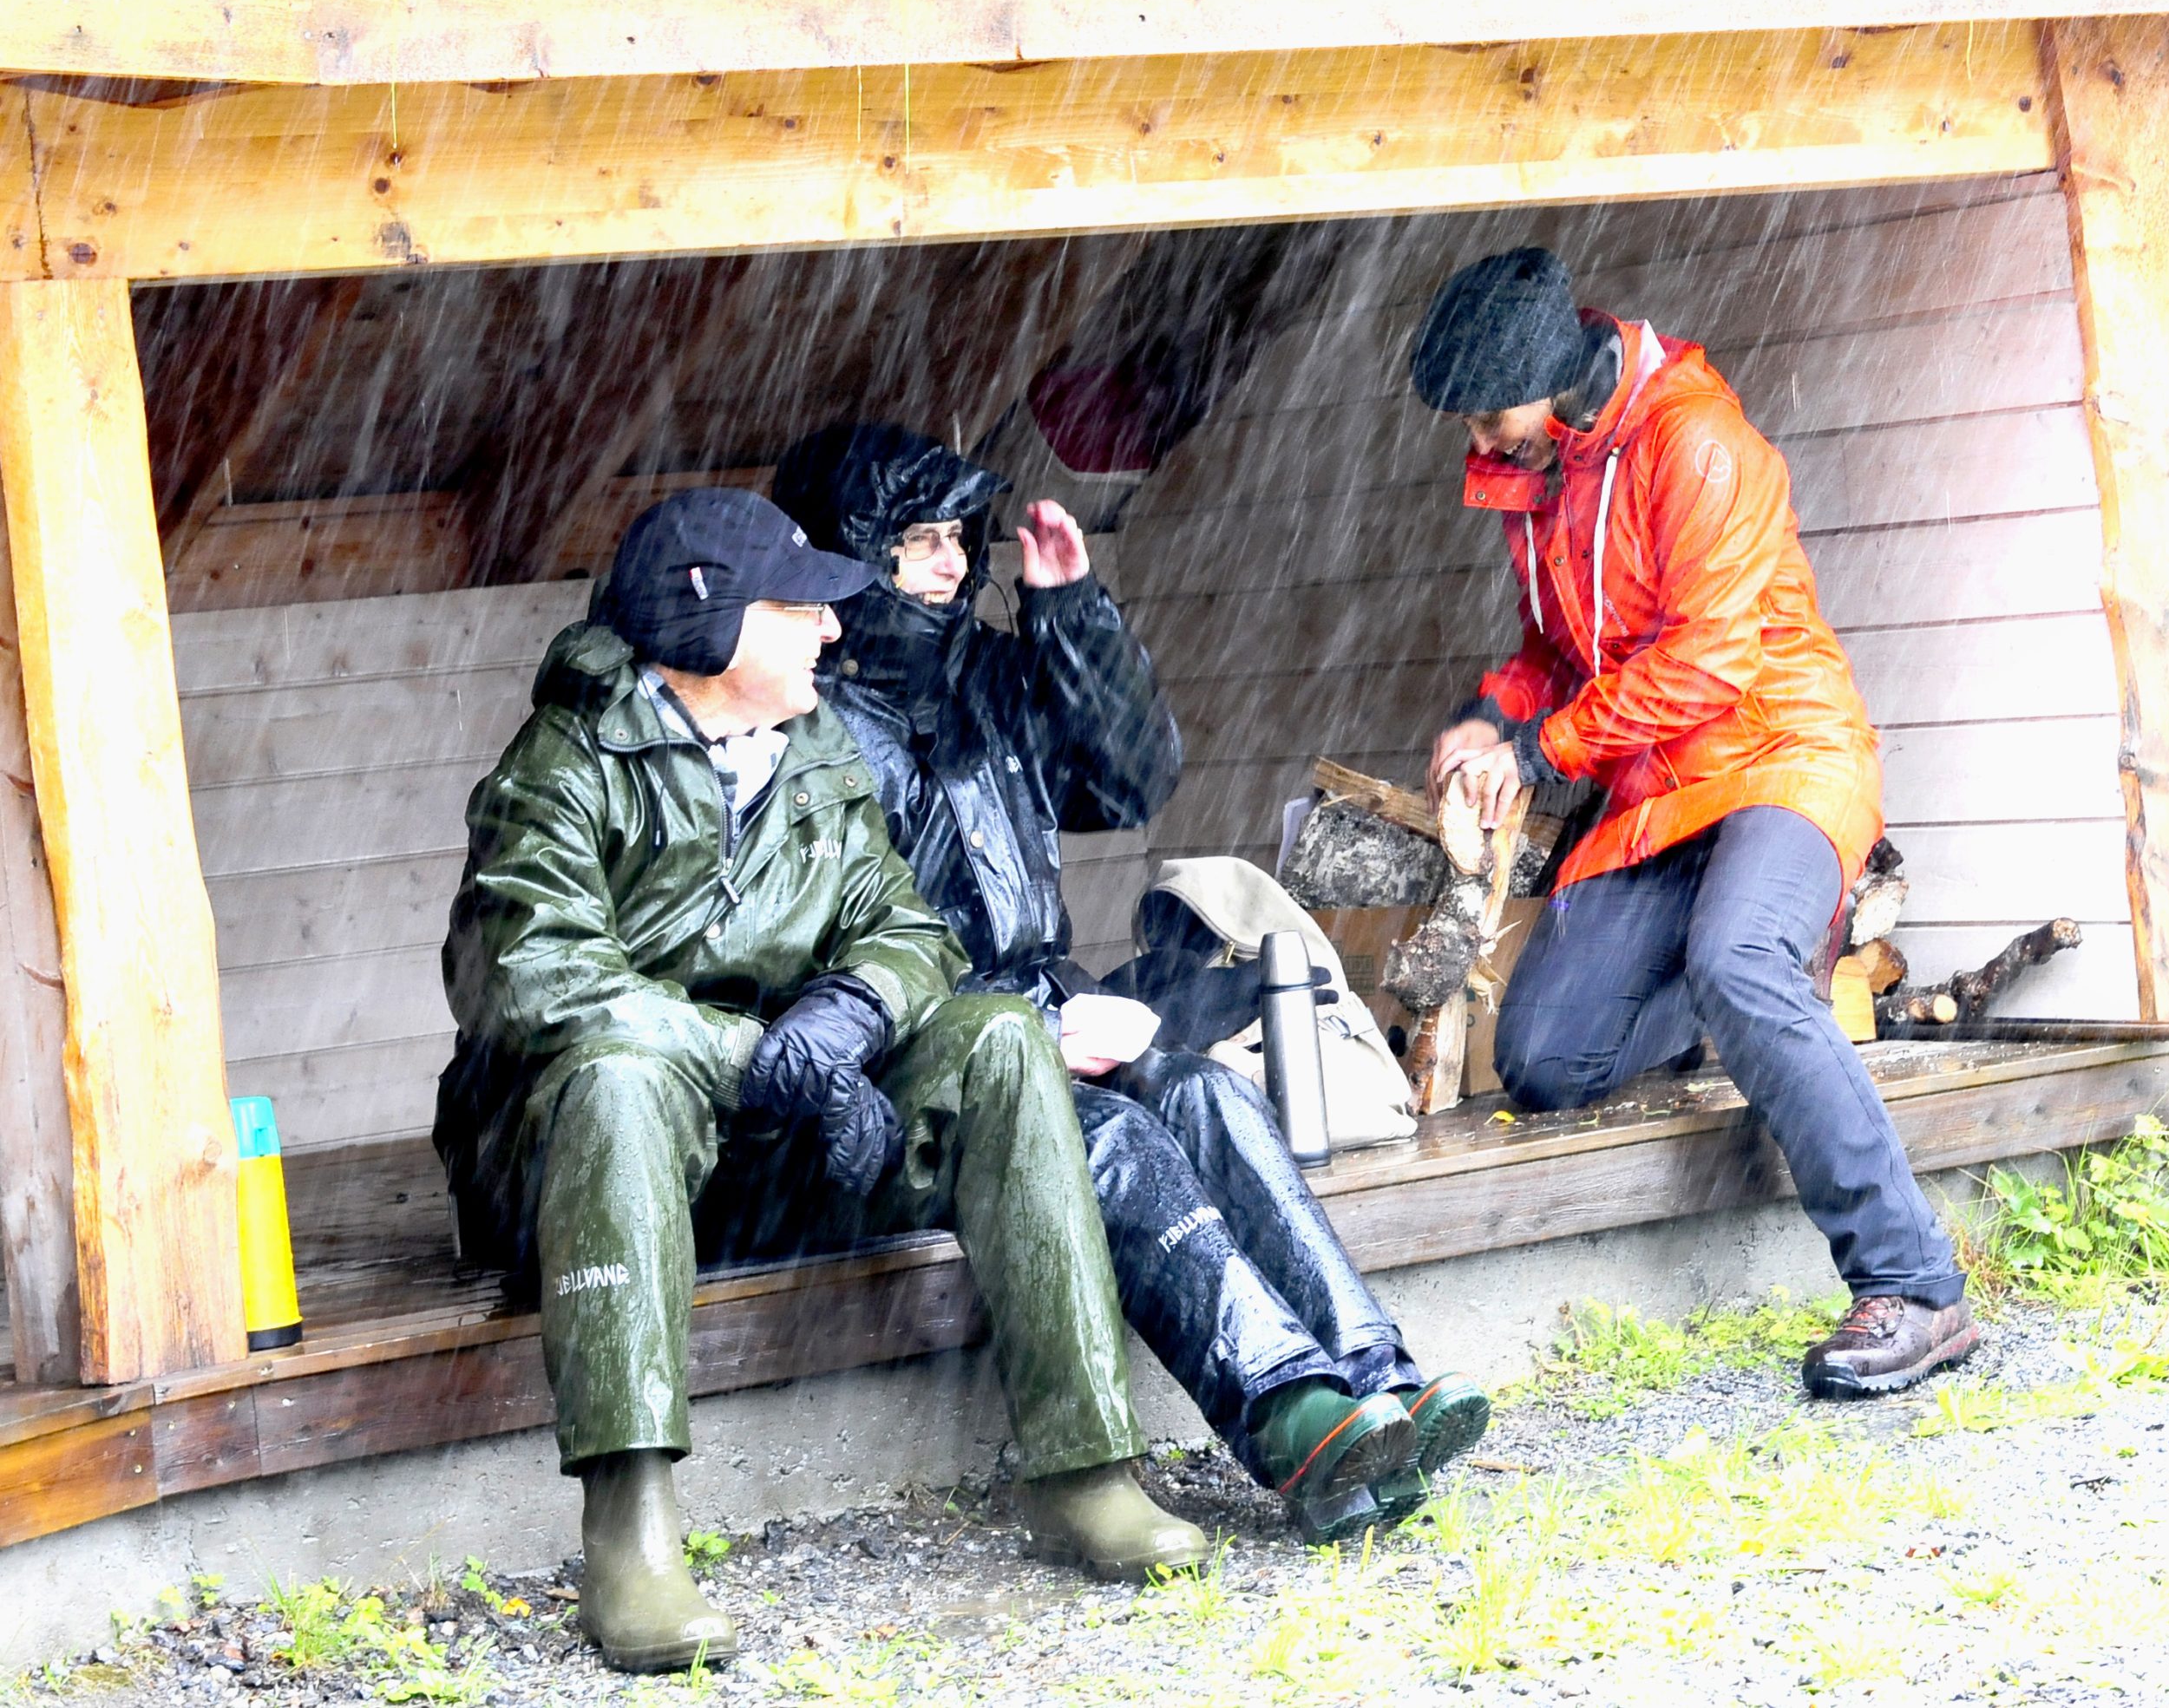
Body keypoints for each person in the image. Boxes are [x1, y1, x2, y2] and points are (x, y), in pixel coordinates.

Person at [433, 488, 1209, 1674]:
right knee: (620, 1080)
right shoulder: (563, 765)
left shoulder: (812, 746)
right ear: (710, 626)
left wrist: (849, 1016)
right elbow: (534, 979)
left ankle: (1085, 1470)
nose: (835, 631)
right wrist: (763, 1060)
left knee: (1002, 1038)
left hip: (774, 1150)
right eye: (800, 610)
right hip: (588, 1163)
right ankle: (631, 1534)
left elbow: (905, 926)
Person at [770, 423, 1491, 1543]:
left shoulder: (984, 675)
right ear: (853, 555)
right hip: (902, 1069)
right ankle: (1291, 1417)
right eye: (919, 542)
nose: (954, 562)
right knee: (1110, 1136)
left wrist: (1070, 614)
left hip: (1033, 1005)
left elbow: (1131, 779)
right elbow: (816, 970)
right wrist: (1012, 1035)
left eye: (960, 536)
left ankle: (1373, 1382)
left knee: (1206, 1093)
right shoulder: (796, 721)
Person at [1409, 246, 1979, 1399]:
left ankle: (1914, 1284)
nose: (1477, 441)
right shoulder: (1550, 469)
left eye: (1485, 415)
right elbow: (1553, 649)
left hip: (1780, 760)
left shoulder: (1697, 442)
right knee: (1545, 1058)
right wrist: (1491, 717)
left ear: (1549, 379)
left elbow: (1706, 663)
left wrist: (1540, 751)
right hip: (1659, 799)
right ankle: (1752, 983)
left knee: (1739, 960)